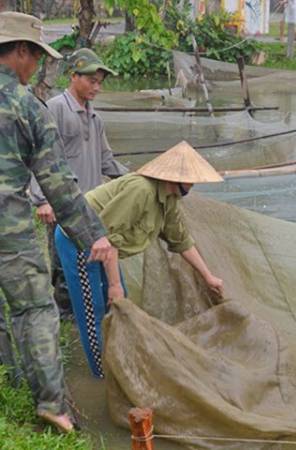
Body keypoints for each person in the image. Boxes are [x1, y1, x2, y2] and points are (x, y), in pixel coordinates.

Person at [0, 12, 115, 433]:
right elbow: (59, 187)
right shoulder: (29, 106)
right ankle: (51, 404)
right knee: (35, 309)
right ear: (21, 53)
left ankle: (9, 381)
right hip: (9, 230)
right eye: (36, 57)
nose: (38, 68)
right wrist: (93, 237)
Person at [55, 141, 225, 378]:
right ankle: (103, 375)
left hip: (105, 245)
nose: (194, 184)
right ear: (174, 178)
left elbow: (181, 240)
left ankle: (120, 361)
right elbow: (105, 236)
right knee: (93, 309)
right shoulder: (142, 190)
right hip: (80, 240)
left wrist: (208, 277)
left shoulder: (169, 200)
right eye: (191, 179)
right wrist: (113, 285)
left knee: (120, 304)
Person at [30, 48, 129, 321]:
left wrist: (135, 179)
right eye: (91, 81)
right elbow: (40, 155)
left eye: (99, 82)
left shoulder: (95, 117)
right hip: (62, 202)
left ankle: (85, 313)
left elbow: (106, 160)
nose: (96, 87)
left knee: (90, 260)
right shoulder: (56, 108)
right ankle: (64, 317)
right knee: (63, 265)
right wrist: (42, 199)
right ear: (73, 76)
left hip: (91, 204)